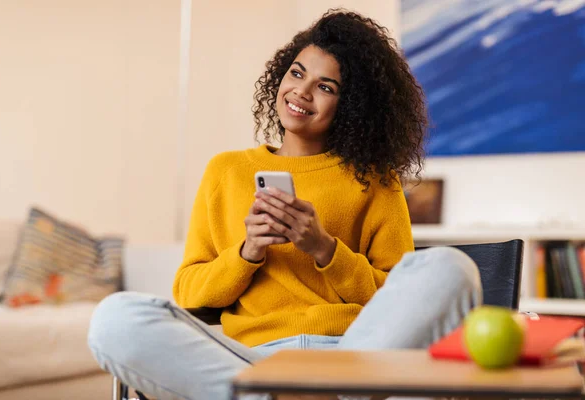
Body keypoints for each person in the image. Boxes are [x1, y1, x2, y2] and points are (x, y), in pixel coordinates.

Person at [88, 9, 482, 400]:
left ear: (352, 106)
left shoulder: (375, 179)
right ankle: (292, 397)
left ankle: (313, 395)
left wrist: (324, 249)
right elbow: (189, 293)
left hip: (354, 353)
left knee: (450, 267)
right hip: (253, 361)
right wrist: (248, 251)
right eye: (297, 73)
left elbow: (399, 296)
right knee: (115, 319)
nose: (302, 92)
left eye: (326, 87)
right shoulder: (227, 170)